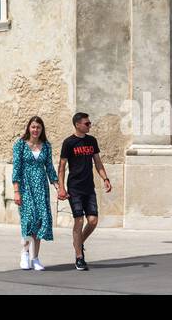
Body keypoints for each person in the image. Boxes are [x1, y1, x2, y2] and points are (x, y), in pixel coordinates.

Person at [56, 112, 111, 272]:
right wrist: (61, 187)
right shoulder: (69, 143)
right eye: (87, 123)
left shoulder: (92, 141)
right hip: (74, 188)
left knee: (93, 221)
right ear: (77, 124)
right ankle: (79, 257)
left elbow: (98, 162)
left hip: (89, 187)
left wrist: (105, 178)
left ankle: (78, 243)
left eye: (89, 123)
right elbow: (62, 167)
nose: (89, 125)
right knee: (79, 220)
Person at [11, 115, 58, 271]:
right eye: (33, 127)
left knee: (40, 221)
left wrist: (58, 186)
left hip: (41, 188)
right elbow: (16, 169)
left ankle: (35, 258)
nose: (35, 130)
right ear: (29, 128)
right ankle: (24, 254)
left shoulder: (46, 146)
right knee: (29, 220)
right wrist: (16, 191)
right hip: (26, 187)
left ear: (41, 129)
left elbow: (49, 167)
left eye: (38, 127)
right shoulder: (20, 145)